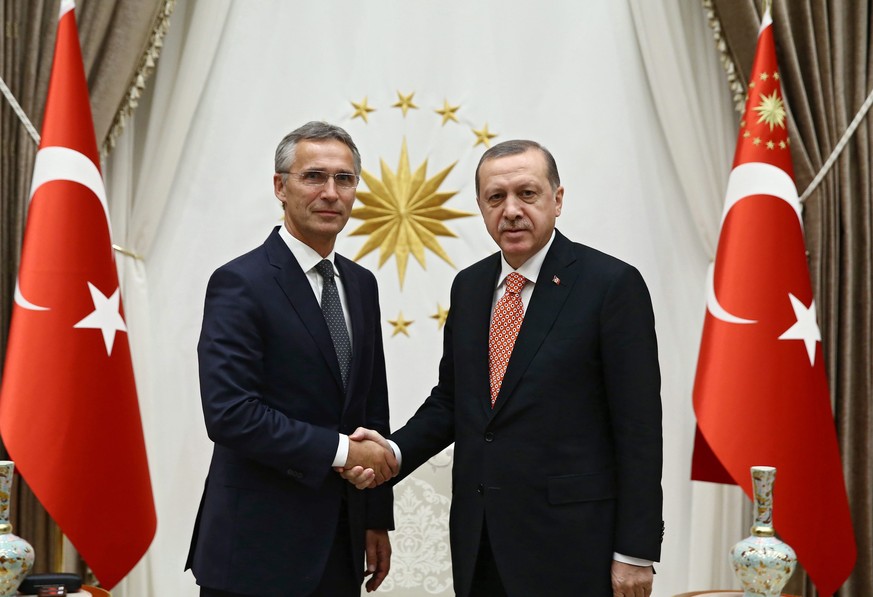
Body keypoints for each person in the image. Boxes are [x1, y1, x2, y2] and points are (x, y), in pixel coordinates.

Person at [341, 140, 663, 596]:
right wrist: (391, 454)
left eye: (527, 194)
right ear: (480, 207)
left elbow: (640, 430)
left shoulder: (611, 286)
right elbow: (454, 402)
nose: (511, 210)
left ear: (558, 199)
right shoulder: (470, 286)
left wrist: (635, 552)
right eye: (496, 198)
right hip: (481, 543)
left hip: (576, 547)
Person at [186, 121, 398, 596]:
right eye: (314, 177)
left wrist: (375, 517)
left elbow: (370, 409)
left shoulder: (361, 285)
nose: (330, 192)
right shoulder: (240, 282)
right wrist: (343, 452)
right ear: (280, 187)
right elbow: (230, 415)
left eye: (344, 179)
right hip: (256, 553)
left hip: (341, 547)